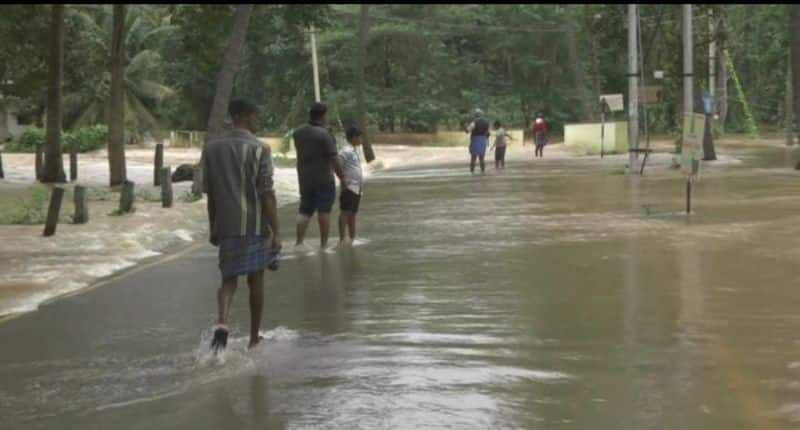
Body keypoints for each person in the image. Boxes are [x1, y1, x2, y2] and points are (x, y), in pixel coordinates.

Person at [202, 99, 281, 353]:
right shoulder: (260, 149)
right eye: (255, 116)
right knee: (255, 281)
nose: (256, 121)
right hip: (254, 224)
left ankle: (223, 321)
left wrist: (213, 225)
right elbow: (267, 192)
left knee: (228, 280)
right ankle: (254, 337)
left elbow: (211, 193)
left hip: (226, 225)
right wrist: (277, 231)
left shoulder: (212, 149)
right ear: (248, 116)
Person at [293, 102, 345, 250]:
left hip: (304, 177)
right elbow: (334, 158)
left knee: (304, 210)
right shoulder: (324, 134)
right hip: (323, 177)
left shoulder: (298, 133)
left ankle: (299, 242)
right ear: (323, 115)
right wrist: (342, 177)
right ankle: (323, 245)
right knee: (324, 210)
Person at [338, 126, 364, 244]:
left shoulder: (355, 150)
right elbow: (337, 165)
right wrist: (343, 179)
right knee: (345, 212)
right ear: (353, 137)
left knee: (353, 213)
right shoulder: (345, 151)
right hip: (349, 186)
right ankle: (342, 238)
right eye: (359, 137)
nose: (361, 139)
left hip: (357, 187)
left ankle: (353, 238)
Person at [466, 109, 491, 173]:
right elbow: (488, 133)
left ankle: (472, 172)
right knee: (482, 158)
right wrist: (487, 142)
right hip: (483, 140)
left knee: (473, 158)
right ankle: (483, 172)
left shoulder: (474, 122)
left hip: (475, 140)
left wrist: (466, 127)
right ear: (481, 114)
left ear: (475, 115)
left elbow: (468, 131)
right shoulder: (486, 122)